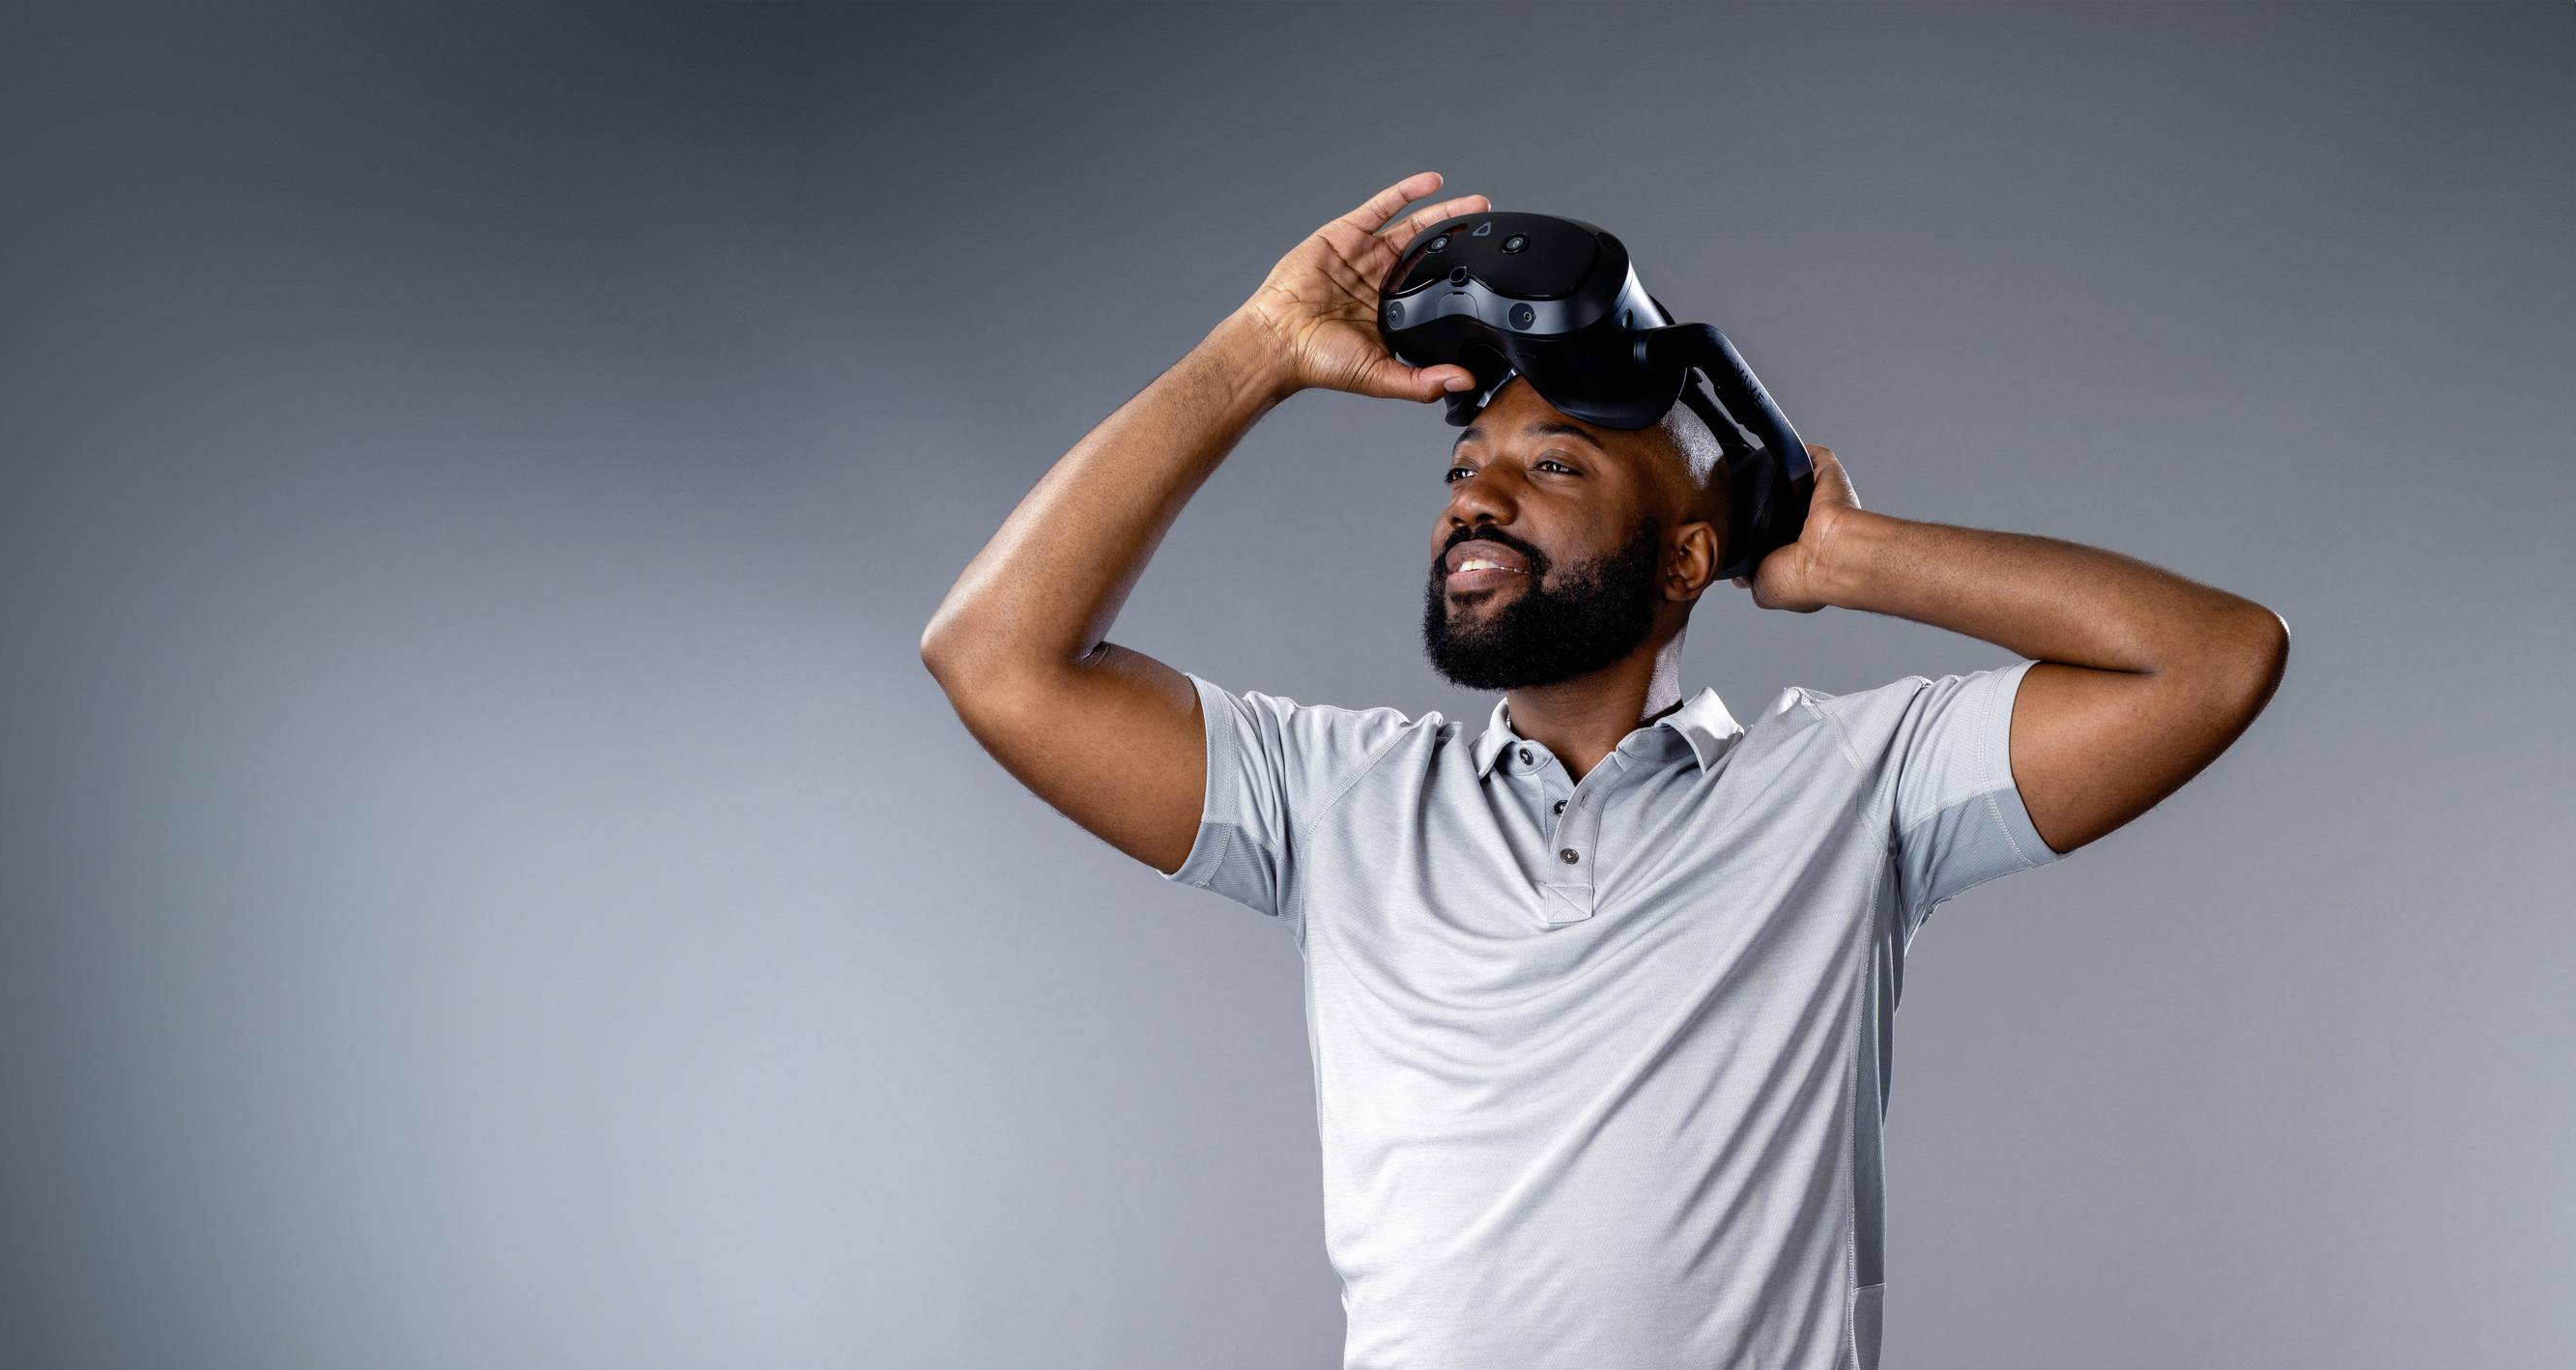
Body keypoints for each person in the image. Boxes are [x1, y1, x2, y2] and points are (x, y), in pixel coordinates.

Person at [918, 172, 2288, 1370]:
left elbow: (2215, 661)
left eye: (1554, 460)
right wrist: (1257, 353)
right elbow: (996, 652)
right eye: (1468, 463)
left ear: (1689, 560)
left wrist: (1852, 558)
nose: (1477, 492)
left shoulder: (1854, 792)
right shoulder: (1341, 800)